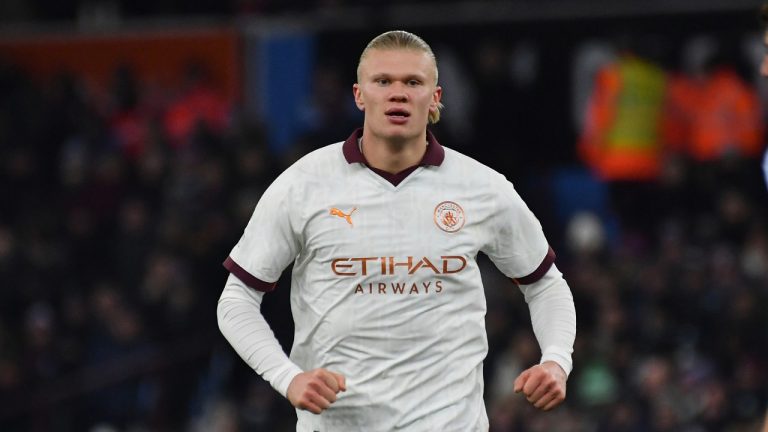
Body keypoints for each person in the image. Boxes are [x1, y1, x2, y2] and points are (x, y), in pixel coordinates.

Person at [217, 30, 576, 431]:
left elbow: (545, 284)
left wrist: (557, 360)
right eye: (383, 81)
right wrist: (287, 378)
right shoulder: (303, 185)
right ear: (358, 95)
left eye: (413, 82)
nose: (398, 93)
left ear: (435, 97)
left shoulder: (482, 188)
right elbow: (236, 301)